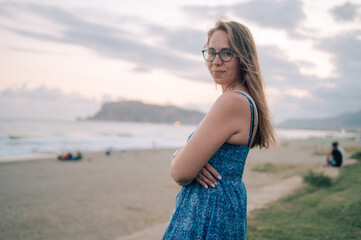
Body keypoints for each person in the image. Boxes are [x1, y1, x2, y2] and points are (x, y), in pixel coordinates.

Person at [162, 19, 276, 240]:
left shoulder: (232, 102)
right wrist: (190, 159)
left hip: (208, 210)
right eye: (211, 52)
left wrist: (179, 155)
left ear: (243, 57)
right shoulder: (247, 101)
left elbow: (180, 173)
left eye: (226, 53)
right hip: (226, 207)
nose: (216, 61)